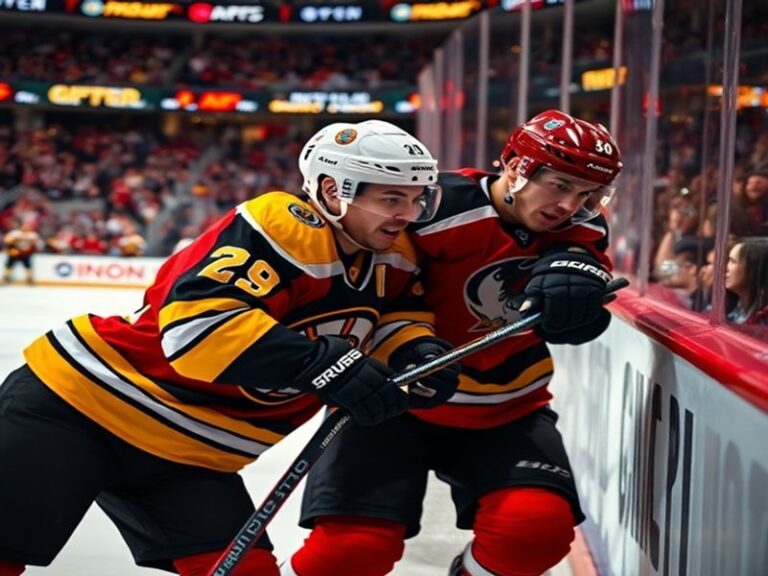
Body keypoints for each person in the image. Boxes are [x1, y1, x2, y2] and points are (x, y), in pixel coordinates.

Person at [0, 120, 460, 576]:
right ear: (333, 190)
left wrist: (414, 354)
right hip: (82, 407)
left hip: (189, 455)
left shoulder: (394, 251)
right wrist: (320, 363)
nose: (408, 213)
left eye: (418, 198)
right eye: (392, 198)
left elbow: (393, 319)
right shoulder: (285, 225)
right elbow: (196, 329)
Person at [285, 110, 623, 576]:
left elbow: (579, 280)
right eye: (560, 185)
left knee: (535, 530)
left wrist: (577, 293)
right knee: (349, 555)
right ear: (516, 167)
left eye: (587, 194)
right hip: (391, 397)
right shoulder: (432, 205)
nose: (569, 206)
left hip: (505, 404)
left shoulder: (583, 226)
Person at [725, 236, 768, 326]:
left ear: (753, 269)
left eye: (733, 261)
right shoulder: (728, 305)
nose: (726, 268)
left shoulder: (764, 321)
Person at [2, 219, 42, 285]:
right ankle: (7, 277)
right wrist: (13, 243)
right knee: (9, 264)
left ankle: (29, 278)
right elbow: (7, 240)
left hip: (25, 253)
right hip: (15, 252)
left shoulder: (32, 235)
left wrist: (31, 246)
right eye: (24, 226)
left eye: (28, 226)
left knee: (28, 266)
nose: (26, 228)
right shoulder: (15, 233)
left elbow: (38, 244)